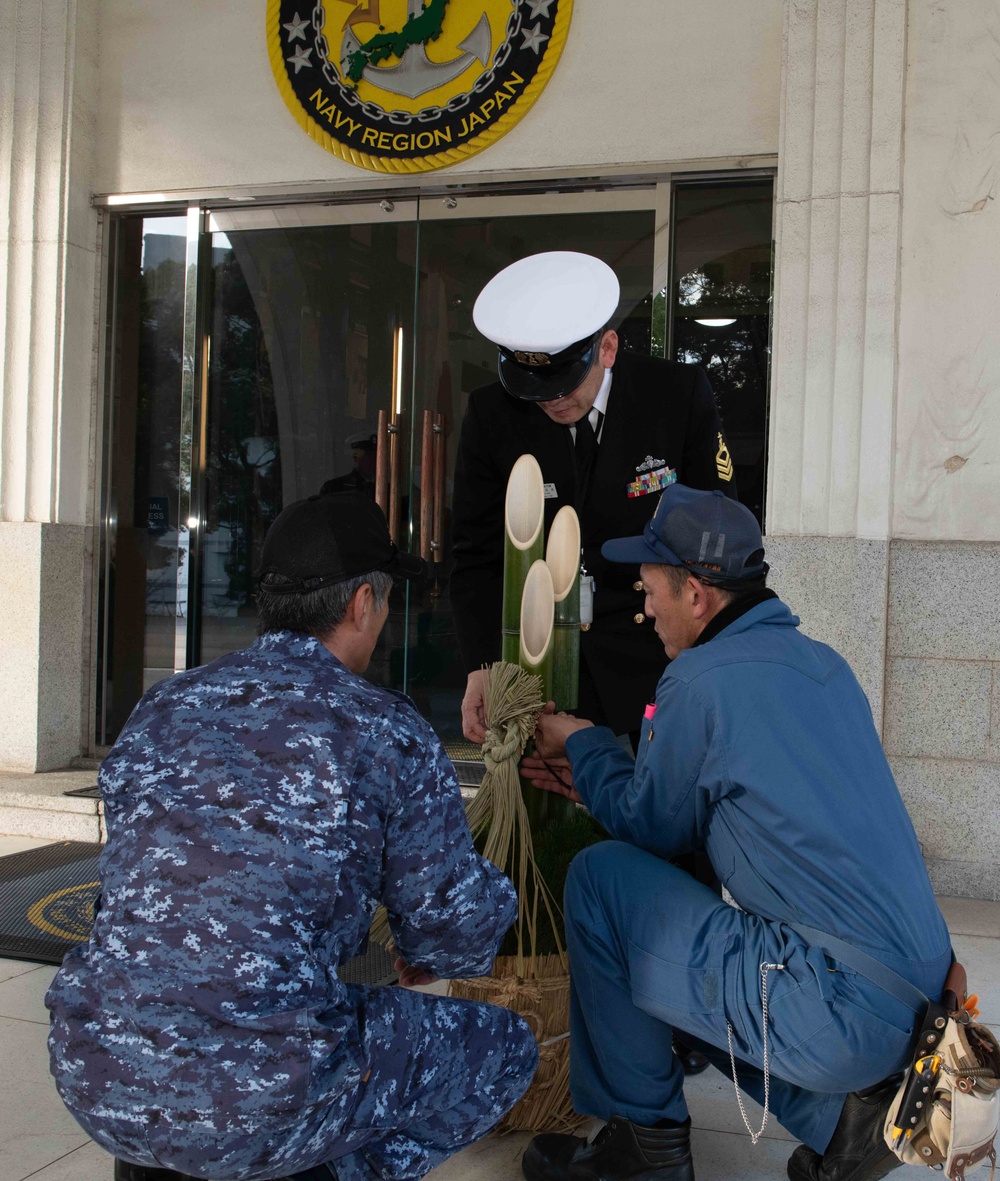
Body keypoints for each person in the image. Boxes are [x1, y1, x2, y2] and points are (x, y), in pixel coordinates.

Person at [46, 491, 538, 1181]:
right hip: (259, 1092)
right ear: (363, 603)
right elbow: (453, 934)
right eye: (388, 602)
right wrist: (477, 909)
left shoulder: (163, 705)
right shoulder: (384, 730)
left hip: (96, 1070)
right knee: (504, 1048)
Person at [519, 484, 952, 1181]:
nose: (644, 606)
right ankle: (843, 1124)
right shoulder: (824, 666)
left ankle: (644, 1148)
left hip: (838, 1010)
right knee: (703, 942)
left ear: (696, 593)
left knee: (603, 882)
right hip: (921, 1007)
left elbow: (648, 826)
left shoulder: (699, 679)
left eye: (651, 588)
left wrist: (587, 744)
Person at [451, 251, 738, 746]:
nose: (552, 401)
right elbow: (475, 553)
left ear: (607, 348)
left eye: (563, 383)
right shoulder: (491, 413)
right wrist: (482, 665)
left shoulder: (674, 396)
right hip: (534, 668)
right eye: (535, 389)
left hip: (653, 659)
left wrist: (703, 662)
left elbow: (715, 541)